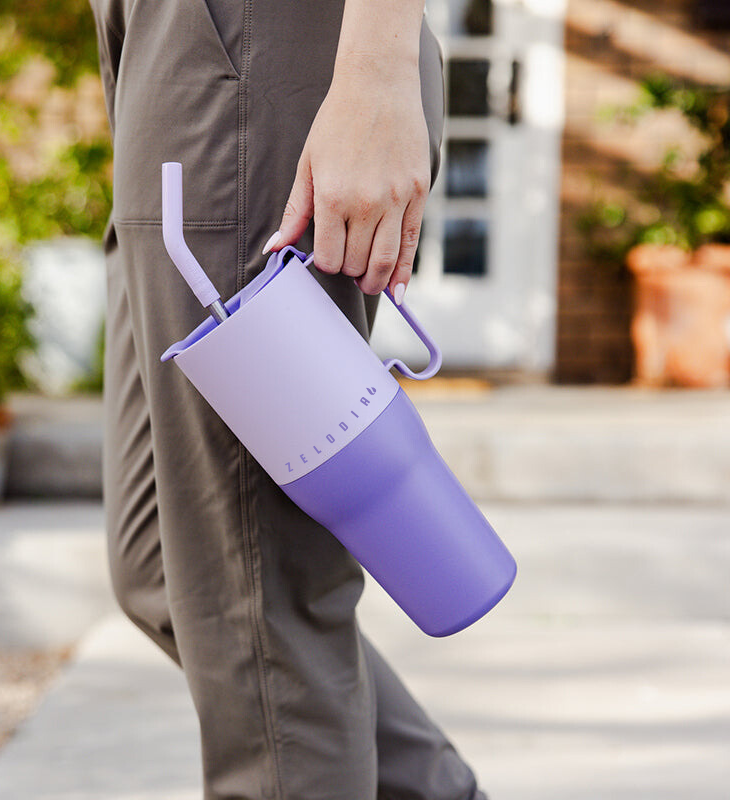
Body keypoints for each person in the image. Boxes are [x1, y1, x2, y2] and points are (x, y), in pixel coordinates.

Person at [88, 0, 487, 797]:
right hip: (164, 38)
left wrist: (376, 70)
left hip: (255, 36)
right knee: (165, 567)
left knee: (255, 599)